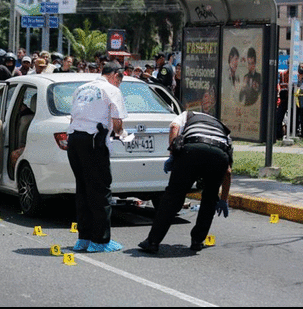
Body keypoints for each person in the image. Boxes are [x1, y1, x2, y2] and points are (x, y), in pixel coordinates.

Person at [138, 110, 232, 254]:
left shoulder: (188, 115)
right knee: (209, 199)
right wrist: (223, 199)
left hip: (192, 151)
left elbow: (174, 128)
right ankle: (197, 241)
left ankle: (153, 242)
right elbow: (228, 172)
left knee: (173, 196)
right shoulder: (223, 130)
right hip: (219, 155)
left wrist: (172, 154)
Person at [67, 61, 127, 253]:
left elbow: (73, 117)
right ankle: (100, 241)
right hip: (94, 142)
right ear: (115, 75)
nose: (120, 84)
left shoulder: (82, 88)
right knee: (101, 191)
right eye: (121, 79)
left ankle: (83, 239)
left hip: (74, 140)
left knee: (83, 190)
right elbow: (117, 123)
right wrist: (122, 134)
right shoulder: (111, 89)